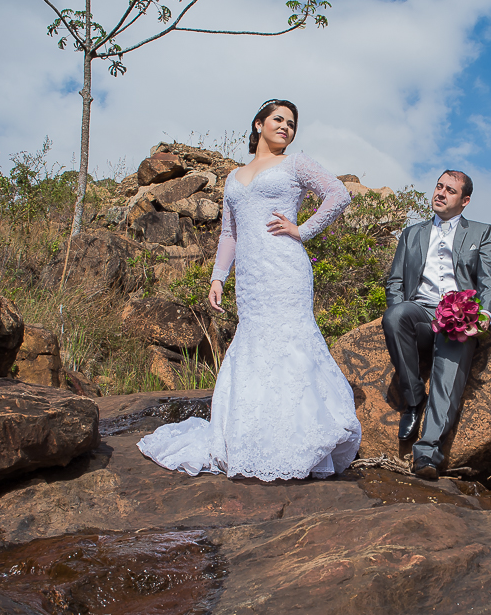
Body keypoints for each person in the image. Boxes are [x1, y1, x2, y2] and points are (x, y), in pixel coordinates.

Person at [137, 99, 362, 480]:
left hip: (286, 269)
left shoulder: (296, 163)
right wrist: (217, 277)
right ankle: (252, 435)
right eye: (278, 119)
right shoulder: (234, 176)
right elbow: (230, 233)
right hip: (253, 279)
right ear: (258, 124)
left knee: (290, 342)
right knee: (255, 344)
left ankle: (301, 438)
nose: (286, 127)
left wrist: (302, 230)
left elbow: (338, 194)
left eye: (292, 123)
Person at [382, 170, 491, 480]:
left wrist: (483, 317)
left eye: (450, 190)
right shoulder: (412, 234)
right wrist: (399, 307)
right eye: (439, 186)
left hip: (456, 316)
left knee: (447, 375)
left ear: (464, 201)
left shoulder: (481, 232)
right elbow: (395, 280)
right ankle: (413, 399)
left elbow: (489, 283)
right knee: (395, 316)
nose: (441, 193)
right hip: (419, 312)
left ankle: (427, 454)